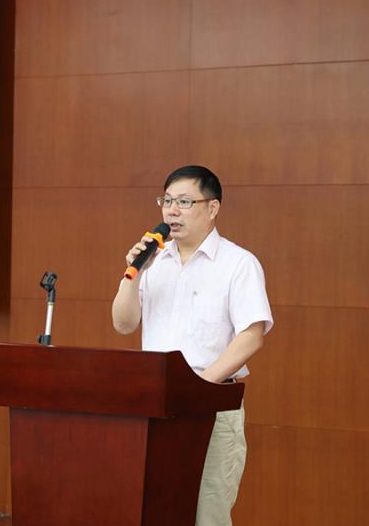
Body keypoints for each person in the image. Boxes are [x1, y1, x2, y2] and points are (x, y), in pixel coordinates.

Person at [111, 165, 273, 526]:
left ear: (212, 208)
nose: (172, 211)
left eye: (184, 202)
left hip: (211, 406)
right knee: (154, 511)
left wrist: (198, 388)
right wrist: (132, 274)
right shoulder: (154, 262)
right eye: (167, 201)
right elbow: (123, 324)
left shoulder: (238, 264)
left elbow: (251, 335)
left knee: (207, 515)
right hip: (156, 405)